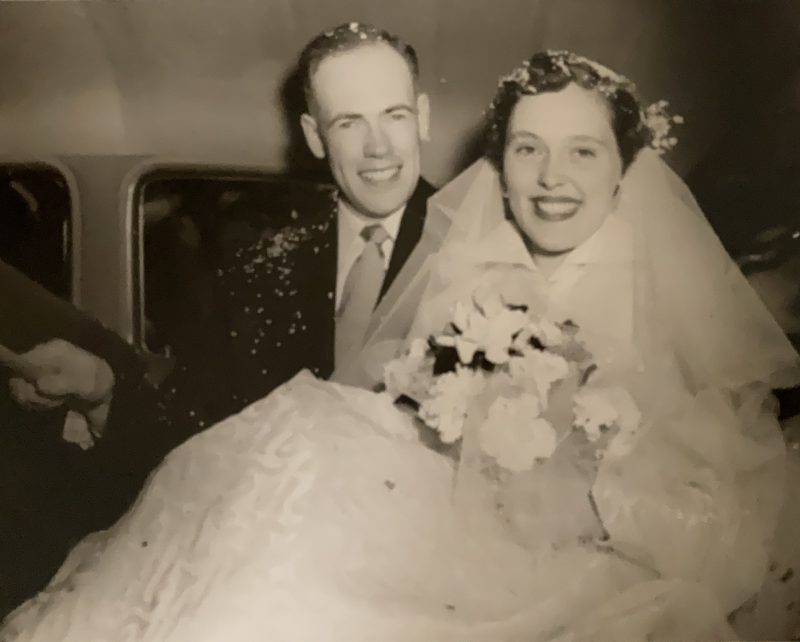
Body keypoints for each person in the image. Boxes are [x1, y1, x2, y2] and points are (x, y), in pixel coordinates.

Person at [4, 51, 799, 641]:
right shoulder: (469, 274)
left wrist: (584, 467)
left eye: (582, 152)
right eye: (528, 149)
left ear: (624, 171)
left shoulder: (673, 313)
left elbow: (722, 531)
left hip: (567, 566)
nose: (550, 178)